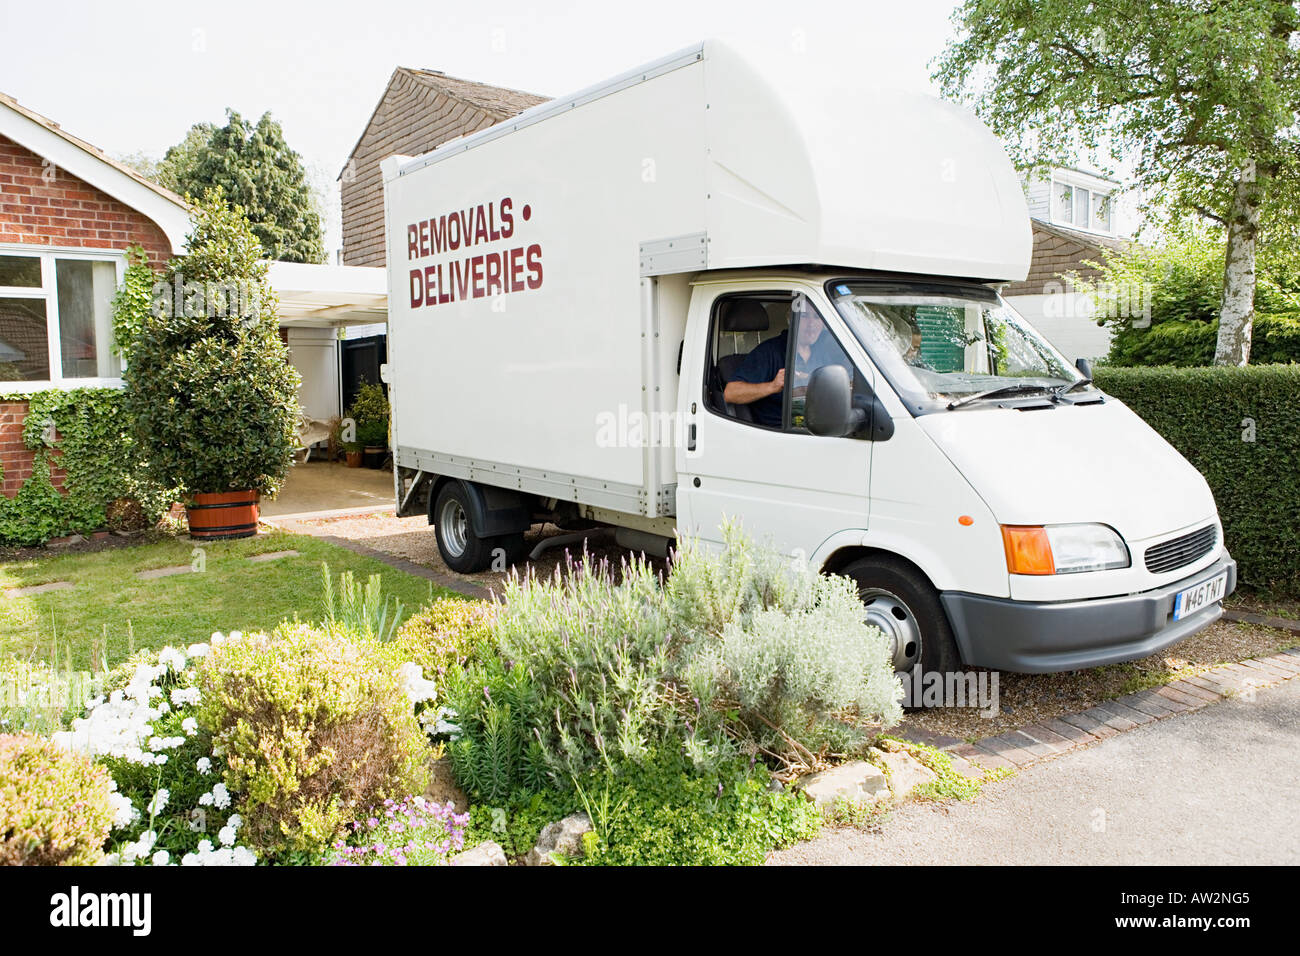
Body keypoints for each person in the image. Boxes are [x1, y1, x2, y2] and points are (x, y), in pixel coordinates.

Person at [724, 299, 847, 427]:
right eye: (804, 316)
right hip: (781, 434)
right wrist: (773, 386)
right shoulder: (768, 352)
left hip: (817, 427)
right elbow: (731, 393)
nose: (812, 324)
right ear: (791, 319)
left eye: (817, 317)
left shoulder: (823, 350)